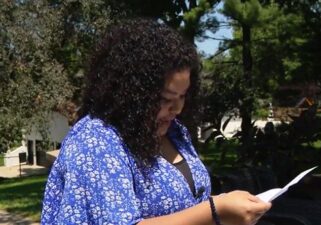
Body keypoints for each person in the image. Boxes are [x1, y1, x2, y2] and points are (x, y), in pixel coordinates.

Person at [41, 19, 271, 225]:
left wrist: (226, 207)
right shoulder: (95, 141)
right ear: (130, 94)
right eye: (165, 99)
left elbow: (184, 205)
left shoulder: (175, 132)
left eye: (183, 96)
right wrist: (215, 210)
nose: (178, 108)